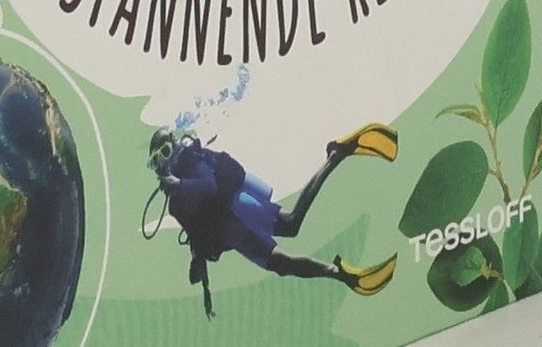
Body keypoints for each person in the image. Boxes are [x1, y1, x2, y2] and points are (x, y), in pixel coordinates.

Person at [146, 123, 402, 318]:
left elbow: (210, 187)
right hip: (232, 232)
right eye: (155, 160)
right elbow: (196, 232)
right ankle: (340, 274)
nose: (161, 164)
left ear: (174, 147)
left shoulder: (191, 162)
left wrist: (179, 183)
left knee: (291, 225)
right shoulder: (175, 204)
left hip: (237, 208)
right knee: (281, 264)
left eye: (164, 153)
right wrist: (204, 284)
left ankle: (336, 154)